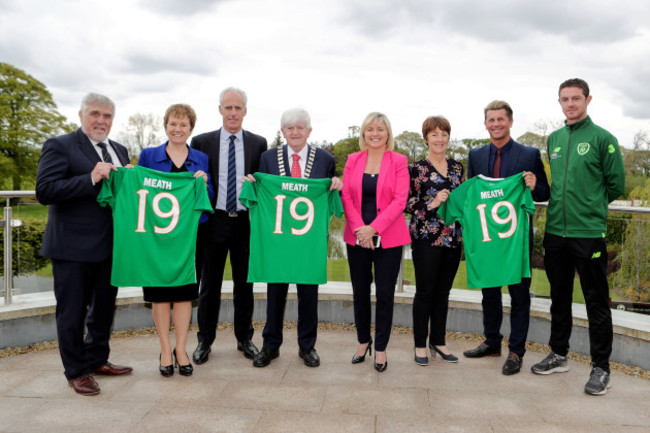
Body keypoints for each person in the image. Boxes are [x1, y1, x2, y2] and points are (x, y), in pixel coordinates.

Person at [531, 79, 625, 395]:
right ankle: (559, 354)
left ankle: (601, 368)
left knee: (596, 303)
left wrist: (590, 206)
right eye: (565, 99)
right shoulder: (554, 138)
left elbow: (616, 186)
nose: (570, 104)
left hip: (589, 234)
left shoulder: (603, 138)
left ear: (588, 100)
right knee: (559, 298)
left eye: (576, 98)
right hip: (556, 231)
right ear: (559, 102)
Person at [35, 93, 133, 396]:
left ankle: (97, 359)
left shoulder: (119, 150)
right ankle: (76, 371)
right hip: (72, 248)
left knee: (104, 308)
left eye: (107, 116)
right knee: (72, 312)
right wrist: (90, 178)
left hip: (111, 246)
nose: (101, 121)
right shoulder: (59, 145)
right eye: (95, 114)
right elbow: (45, 190)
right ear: (81, 115)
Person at [244, 108, 343, 368]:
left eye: (300, 127)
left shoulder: (325, 159)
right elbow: (261, 192)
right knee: (275, 294)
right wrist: (253, 182)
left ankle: (307, 346)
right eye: (289, 128)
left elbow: (328, 196)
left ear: (309, 131)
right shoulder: (267, 158)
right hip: (278, 240)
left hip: (308, 241)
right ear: (283, 132)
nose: (295, 132)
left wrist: (334, 184)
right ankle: (270, 345)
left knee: (308, 294)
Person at [461, 100, 550, 375]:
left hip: (517, 240)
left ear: (510, 122)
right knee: (489, 292)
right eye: (491, 120)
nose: (496, 124)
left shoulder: (529, 153)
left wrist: (535, 186)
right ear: (485, 123)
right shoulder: (475, 156)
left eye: (501, 119)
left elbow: (545, 192)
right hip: (489, 237)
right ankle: (492, 341)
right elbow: (472, 196)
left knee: (519, 295)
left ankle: (516, 351)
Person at [190, 87, 268, 364]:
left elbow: (264, 184)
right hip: (213, 222)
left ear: (245, 111)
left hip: (245, 224)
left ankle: (244, 338)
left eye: (238, 108)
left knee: (244, 285)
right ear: (220, 110)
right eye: (228, 107)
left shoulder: (259, 143)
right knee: (208, 285)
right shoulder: (201, 142)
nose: (233, 113)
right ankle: (205, 341)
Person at [137, 104, 212, 377]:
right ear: (165, 126)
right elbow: (138, 190)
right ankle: (165, 349)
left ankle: (181, 349)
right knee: (159, 296)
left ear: (191, 129)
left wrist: (204, 183)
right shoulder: (148, 156)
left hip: (189, 240)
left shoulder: (201, 158)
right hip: (156, 240)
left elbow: (209, 196)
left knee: (184, 295)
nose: (178, 129)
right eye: (173, 124)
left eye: (183, 125)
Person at [341, 112, 410, 372]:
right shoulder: (352, 159)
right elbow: (346, 195)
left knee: (384, 294)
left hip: (389, 238)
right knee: (359, 291)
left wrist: (374, 229)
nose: (375, 133)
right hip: (356, 236)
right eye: (370, 129)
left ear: (388, 134)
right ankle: (362, 342)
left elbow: (400, 200)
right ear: (363, 134)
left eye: (380, 129)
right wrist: (361, 230)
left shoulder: (399, 161)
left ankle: (380, 348)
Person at [406, 116, 464, 366]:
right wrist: (432, 203)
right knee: (425, 292)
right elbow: (407, 202)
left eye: (444, 134)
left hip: (453, 238)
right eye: (434, 134)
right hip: (426, 238)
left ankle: (438, 341)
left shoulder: (458, 167)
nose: (440, 139)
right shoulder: (416, 169)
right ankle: (420, 344)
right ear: (426, 138)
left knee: (444, 293)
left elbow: (464, 199)